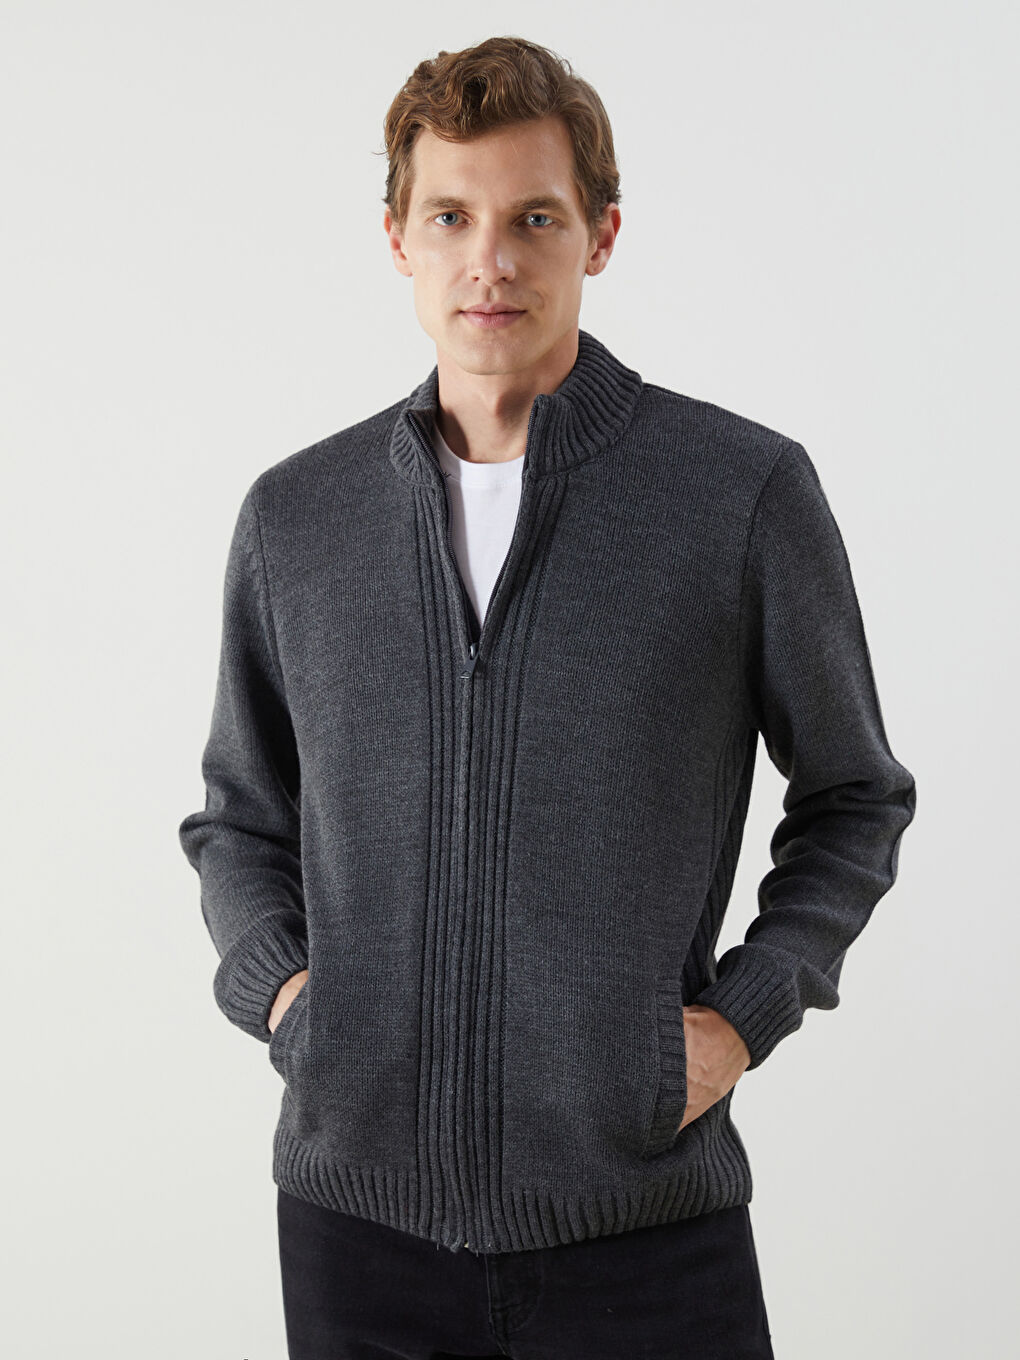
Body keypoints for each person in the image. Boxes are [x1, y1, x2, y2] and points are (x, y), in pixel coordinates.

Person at [179, 34, 917, 1360]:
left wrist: (739, 1019)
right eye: (449, 217)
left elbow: (855, 796)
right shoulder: (300, 517)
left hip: (643, 1228)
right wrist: (291, 1004)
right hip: (358, 1233)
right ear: (397, 239)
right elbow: (239, 817)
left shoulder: (736, 494)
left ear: (602, 234)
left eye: (534, 218)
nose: (492, 260)